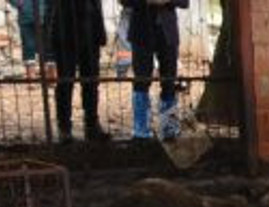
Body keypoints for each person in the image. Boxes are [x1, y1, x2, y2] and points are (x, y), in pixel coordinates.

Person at [123, 0, 189, 140]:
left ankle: (169, 129)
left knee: (169, 80)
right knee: (141, 80)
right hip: (141, 32)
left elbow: (184, 2)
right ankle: (141, 131)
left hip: (168, 32)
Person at [47, 0, 109, 143]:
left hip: (90, 30)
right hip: (65, 31)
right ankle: (64, 128)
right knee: (65, 82)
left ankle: (92, 125)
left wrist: (100, 32)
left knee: (91, 82)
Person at [7, 0, 50, 79]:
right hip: (25, 17)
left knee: (47, 46)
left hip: (44, 14)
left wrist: (48, 6)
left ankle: (50, 77)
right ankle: (31, 78)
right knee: (28, 46)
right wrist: (19, 3)